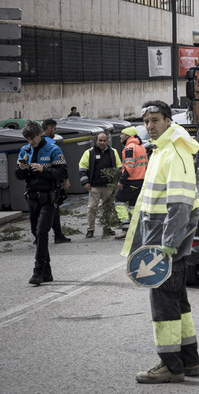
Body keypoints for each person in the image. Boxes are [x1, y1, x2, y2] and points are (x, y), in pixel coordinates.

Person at [120, 100, 199, 384]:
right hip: (163, 242)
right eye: (146, 121)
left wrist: (168, 243)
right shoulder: (163, 150)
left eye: (155, 120)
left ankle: (170, 366)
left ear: (168, 120)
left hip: (164, 245)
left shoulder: (173, 151)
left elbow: (179, 205)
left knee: (164, 305)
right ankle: (188, 362)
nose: (150, 126)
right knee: (178, 303)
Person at [15, 121, 68, 286]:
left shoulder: (53, 149)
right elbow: (18, 176)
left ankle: (38, 270)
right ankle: (47, 271)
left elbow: (63, 172)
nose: (31, 142)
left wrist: (44, 170)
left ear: (40, 134)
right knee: (36, 233)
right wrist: (22, 169)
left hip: (48, 198)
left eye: (33, 138)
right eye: (28, 139)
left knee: (41, 232)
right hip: (32, 199)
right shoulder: (25, 151)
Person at [79, 132, 122, 238]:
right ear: (96, 141)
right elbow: (82, 168)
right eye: (100, 140)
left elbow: (119, 168)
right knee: (92, 208)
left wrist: (118, 180)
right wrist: (85, 182)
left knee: (108, 207)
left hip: (109, 186)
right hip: (94, 186)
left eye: (104, 140)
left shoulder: (113, 152)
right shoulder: (89, 153)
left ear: (107, 141)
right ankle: (90, 229)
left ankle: (108, 227)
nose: (102, 142)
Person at [41, 118, 71, 244]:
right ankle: (57, 235)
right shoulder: (52, 145)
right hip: (52, 182)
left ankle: (40, 235)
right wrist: (66, 179)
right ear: (49, 129)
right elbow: (61, 165)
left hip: (37, 184)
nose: (55, 131)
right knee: (54, 209)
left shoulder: (34, 144)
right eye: (54, 129)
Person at [115, 126, 148, 238]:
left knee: (119, 201)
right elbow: (146, 165)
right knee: (133, 205)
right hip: (141, 181)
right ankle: (136, 229)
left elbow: (129, 167)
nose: (120, 136)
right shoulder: (141, 147)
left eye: (122, 134)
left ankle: (126, 228)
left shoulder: (129, 148)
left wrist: (121, 181)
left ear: (128, 136)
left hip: (131, 181)